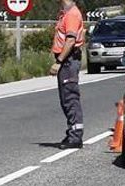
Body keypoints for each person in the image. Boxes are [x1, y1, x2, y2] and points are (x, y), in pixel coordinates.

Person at [49, 0, 85, 148]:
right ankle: (72, 132)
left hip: (68, 60)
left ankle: (75, 137)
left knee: (70, 98)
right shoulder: (65, 14)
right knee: (66, 99)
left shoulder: (71, 15)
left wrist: (59, 61)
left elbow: (70, 41)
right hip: (67, 60)